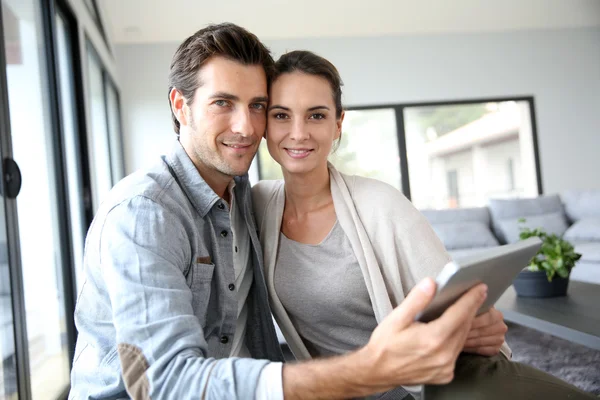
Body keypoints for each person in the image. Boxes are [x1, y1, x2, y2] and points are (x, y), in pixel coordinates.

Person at [69, 22, 489, 400]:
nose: (246, 127)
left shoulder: (243, 195)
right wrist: (367, 370)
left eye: (256, 106)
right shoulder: (145, 214)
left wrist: (468, 325)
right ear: (181, 106)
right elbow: (166, 384)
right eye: (223, 103)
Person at [252, 50, 596, 399]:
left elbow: (462, 306)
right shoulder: (257, 205)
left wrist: (479, 320)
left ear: (338, 123)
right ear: (265, 124)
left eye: (316, 115)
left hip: (429, 385)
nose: (298, 133)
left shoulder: (381, 204)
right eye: (282, 115)